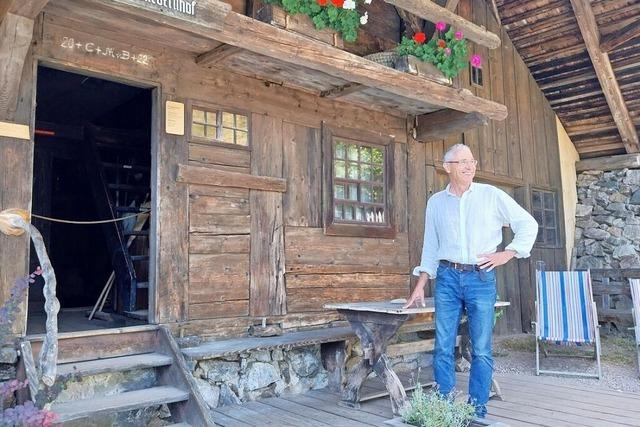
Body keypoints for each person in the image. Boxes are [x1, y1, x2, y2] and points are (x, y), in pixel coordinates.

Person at [404, 143, 538, 418]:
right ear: (447, 167)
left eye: (472, 161)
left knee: (481, 347)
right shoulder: (436, 202)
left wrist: (508, 253)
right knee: (442, 345)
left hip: (480, 277)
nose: (469, 166)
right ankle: (442, 406)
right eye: (462, 161)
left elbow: (528, 224)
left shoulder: (491, 195)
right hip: (447, 278)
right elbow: (430, 245)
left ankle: (477, 409)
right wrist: (420, 283)